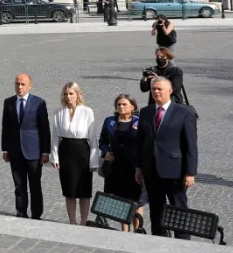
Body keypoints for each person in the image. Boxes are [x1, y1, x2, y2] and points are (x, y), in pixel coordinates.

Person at [135, 75, 198, 239]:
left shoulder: (184, 112)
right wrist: (139, 167)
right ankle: (159, 237)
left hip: (174, 171)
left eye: (159, 89)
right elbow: (141, 142)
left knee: (178, 207)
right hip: (151, 170)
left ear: (170, 91)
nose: (156, 92)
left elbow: (190, 144)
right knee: (156, 208)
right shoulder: (146, 112)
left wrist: (190, 172)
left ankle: (183, 239)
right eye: (153, 89)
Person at [0, 73, 52, 219]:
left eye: (23, 84)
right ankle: (21, 212)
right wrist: (5, 149)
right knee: (19, 184)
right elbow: (6, 127)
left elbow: (44, 128)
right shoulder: (8, 102)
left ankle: (36, 214)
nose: (20, 87)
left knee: (35, 184)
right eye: (17, 84)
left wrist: (46, 151)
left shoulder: (39, 102)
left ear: (30, 86)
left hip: (34, 150)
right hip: (15, 150)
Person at [51, 81, 95, 225]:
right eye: (65, 94)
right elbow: (56, 135)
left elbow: (93, 137)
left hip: (82, 150)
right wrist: (55, 156)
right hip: (66, 151)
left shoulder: (87, 111)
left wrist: (94, 160)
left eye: (71, 93)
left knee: (84, 189)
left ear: (77, 94)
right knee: (69, 189)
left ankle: (83, 221)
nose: (68, 97)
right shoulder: (59, 112)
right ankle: (72, 221)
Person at [98, 94, 144, 231]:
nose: (121, 107)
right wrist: (106, 152)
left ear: (133, 106)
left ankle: (137, 229)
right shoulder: (110, 121)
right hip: (116, 166)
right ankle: (125, 230)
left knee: (137, 200)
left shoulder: (140, 122)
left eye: (124, 104)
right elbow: (102, 141)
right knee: (121, 198)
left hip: (134, 166)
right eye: (119, 104)